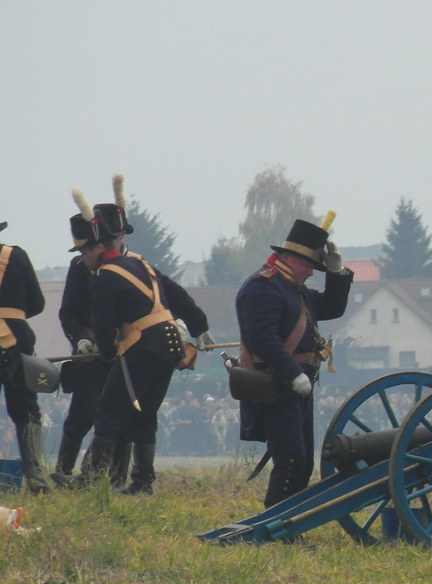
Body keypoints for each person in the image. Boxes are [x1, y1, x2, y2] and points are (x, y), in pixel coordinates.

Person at [83, 193, 213, 494]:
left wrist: (106, 353)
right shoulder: (141, 264)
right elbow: (177, 295)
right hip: (169, 345)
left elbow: (102, 323)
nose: (82, 258)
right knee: (145, 415)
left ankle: (92, 480)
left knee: (109, 411)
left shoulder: (105, 275)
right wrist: (199, 325)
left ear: (99, 248)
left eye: (85, 251)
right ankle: (142, 482)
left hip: (142, 347)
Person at [236, 218, 353, 508]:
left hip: (296, 383)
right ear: (288, 257)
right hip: (275, 383)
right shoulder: (262, 287)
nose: (310, 271)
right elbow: (263, 340)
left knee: (302, 461)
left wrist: (337, 273)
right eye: (307, 265)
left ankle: (287, 519)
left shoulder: (292, 289)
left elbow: (332, 307)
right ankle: (274, 520)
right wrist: (292, 374)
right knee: (290, 459)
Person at [51, 184, 136, 488]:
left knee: (123, 416)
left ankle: (116, 478)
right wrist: (80, 340)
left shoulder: (135, 265)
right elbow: (69, 313)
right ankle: (62, 471)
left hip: (126, 351)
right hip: (92, 354)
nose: (118, 239)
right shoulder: (80, 267)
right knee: (83, 413)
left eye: (120, 234)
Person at [0, 220, 50, 493]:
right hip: (17, 337)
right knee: (26, 408)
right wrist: (13, 314)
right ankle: (35, 477)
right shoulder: (16, 256)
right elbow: (37, 303)